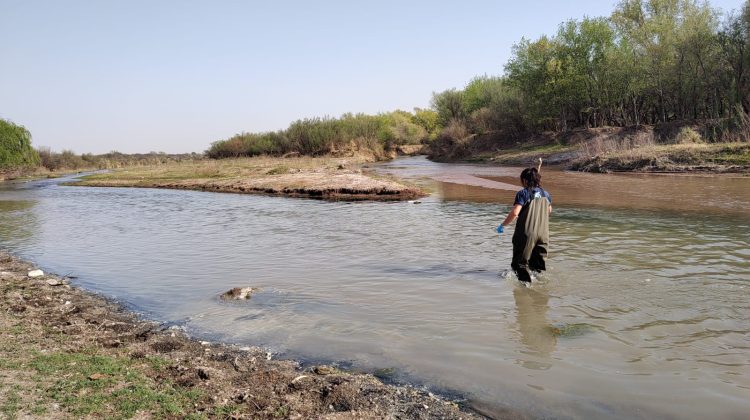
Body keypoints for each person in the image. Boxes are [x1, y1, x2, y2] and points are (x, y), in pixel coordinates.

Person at [497, 166, 552, 282]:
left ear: (525, 181)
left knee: (519, 265)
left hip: (526, 234)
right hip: (543, 235)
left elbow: (515, 213)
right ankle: (539, 292)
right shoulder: (546, 194)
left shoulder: (523, 193)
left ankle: (526, 291)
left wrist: (503, 225)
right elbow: (549, 211)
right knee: (536, 267)